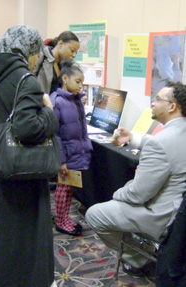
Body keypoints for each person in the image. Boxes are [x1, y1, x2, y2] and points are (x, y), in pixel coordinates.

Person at [0, 25, 59, 287]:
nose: (36, 60)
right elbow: (27, 127)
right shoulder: (24, 80)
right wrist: (49, 113)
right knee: (22, 234)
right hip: (18, 173)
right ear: (27, 50)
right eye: (36, 54)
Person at [85, 81, 186, 278]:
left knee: (94, 214)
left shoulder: (160, 142)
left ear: (172, 106)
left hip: (162, 217)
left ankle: (141, 259)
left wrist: (118, 193)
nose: (153, 103)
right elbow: (164, 145)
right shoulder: (175, 133)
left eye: (158, 99)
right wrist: (133, 137)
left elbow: (139, 194)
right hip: (178, 212)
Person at [50, 60, 93, 236]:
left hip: (75, 153)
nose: (81, 86)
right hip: (66, 156)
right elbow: (55, 134)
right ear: (65, 79)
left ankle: (65, 218)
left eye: (82, 82)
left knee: (69, 188)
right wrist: (61, 161)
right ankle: (61, 221)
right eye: (78, 81)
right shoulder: (57, 101)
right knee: (63, 188)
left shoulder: (75, 100)